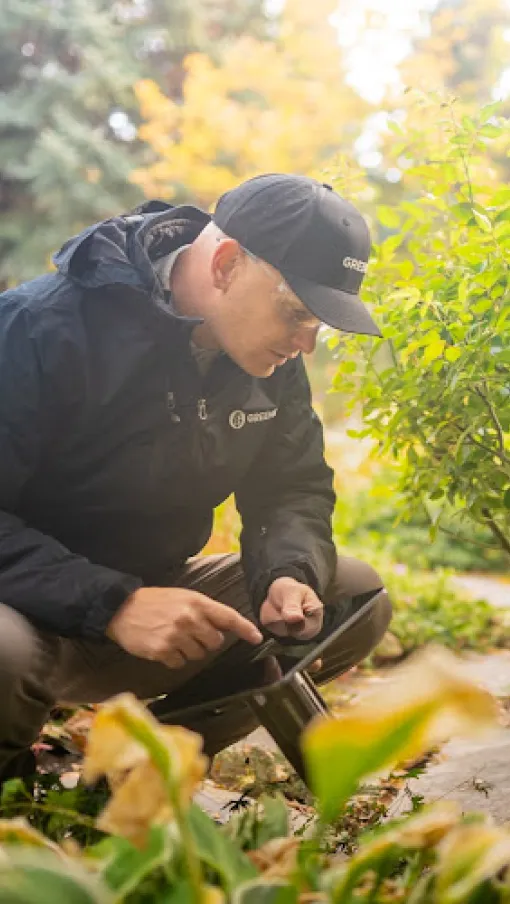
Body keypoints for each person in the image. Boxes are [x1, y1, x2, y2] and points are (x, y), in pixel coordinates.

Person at [0, 173, 391, 782]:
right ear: (228, 263)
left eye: (320, 323)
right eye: (296, 312)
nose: (307, 344)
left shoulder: (269, 358)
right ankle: (15, 813)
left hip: (160, 619)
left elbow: (292, 487)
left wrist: (289, 573)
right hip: (26, 614)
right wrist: (114, 604)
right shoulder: (37, 328)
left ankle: (135, 774)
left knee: (351, 593)